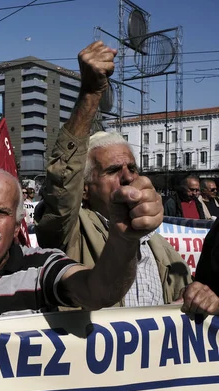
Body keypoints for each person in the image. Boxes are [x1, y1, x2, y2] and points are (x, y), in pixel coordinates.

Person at [35, 41, 190, 307]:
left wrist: (197, 296)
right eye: (113, 170)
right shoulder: (71, 233)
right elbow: (62, 185)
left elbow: (183, 301)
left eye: (132, 168)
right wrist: (91, 94)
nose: (128, 177)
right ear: (85, 189)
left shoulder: (160, 246)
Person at [0, 165, 164, 321]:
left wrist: (124, 237)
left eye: (2, 213)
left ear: (18, 226)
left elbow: (99, 291)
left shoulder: (43, 268)